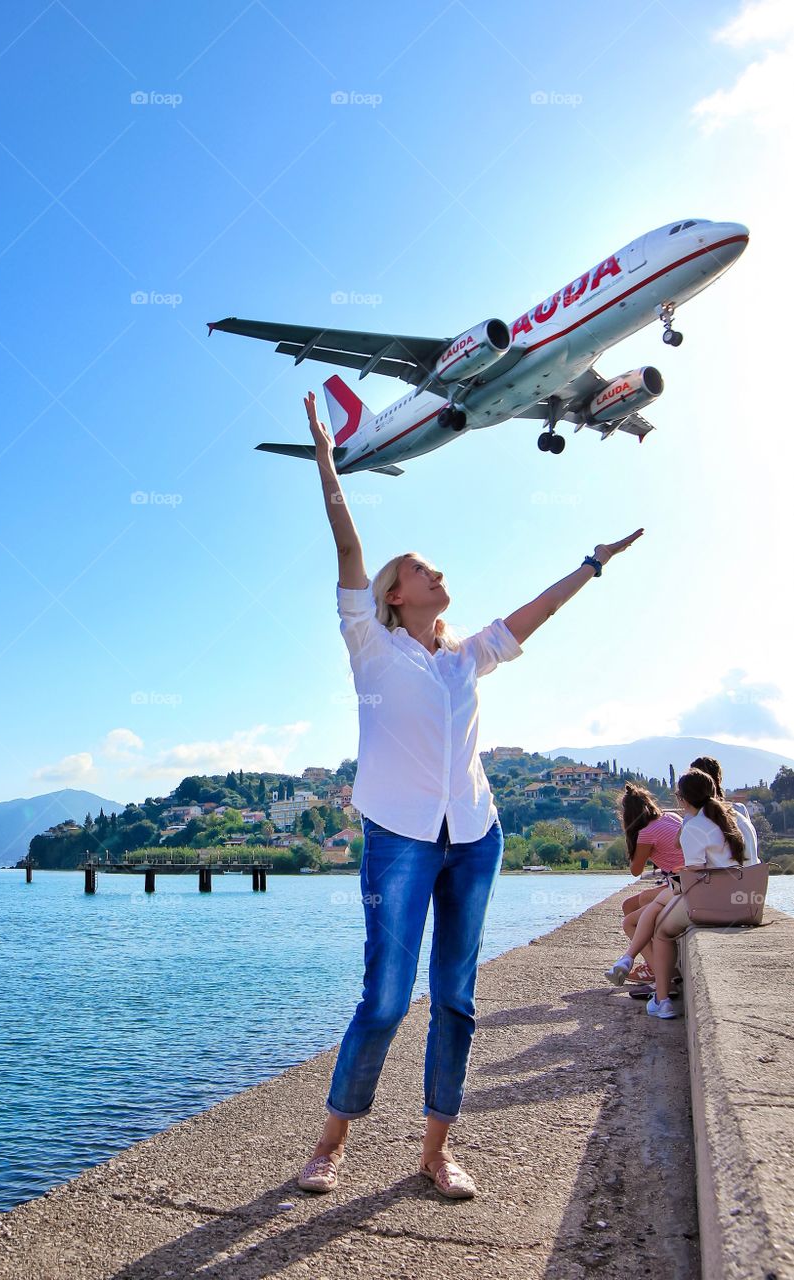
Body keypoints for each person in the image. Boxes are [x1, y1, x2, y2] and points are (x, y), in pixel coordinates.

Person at [296, 388, 644, 1199]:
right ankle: (330, 1144)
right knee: (383, 999)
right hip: (397, 839)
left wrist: (590, 564)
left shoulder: (464, 659)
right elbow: (345, 541)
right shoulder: (369, 646)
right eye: (420, 569)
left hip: (474, 837)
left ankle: (434, 1151)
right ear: (392, 594)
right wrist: (323, 456)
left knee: (455, 997)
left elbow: (533, 614)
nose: (435, 573)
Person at [643, 767, 759, 1018]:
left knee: (661, 931)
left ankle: (662, 1001)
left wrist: (677, 881)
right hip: (743, 899)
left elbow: (696, 874)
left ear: (682, 799)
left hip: (715, 902)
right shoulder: (730, 818)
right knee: (659, 907)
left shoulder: (693, 826)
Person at [615, 783, 683, 982]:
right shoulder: (670, 816)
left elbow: (635, 870)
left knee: (641, 902)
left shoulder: (646, 833)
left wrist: (631, 837)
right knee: (629, 905)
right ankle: (653, 959)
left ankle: (657, 969)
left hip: (682, 884)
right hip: (686, 879)